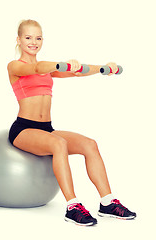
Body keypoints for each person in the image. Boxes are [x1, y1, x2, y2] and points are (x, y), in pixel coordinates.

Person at [7, 19, 136, 226]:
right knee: (60, 144)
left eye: (38, 38)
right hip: (23, 129)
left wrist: (104, 68)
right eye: (28, 37)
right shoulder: (14, 66)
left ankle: (107, 202)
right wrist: (61, 63)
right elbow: (38, 67)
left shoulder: (48, 69)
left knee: (90, 144)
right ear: (18, 40)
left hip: (46, 129)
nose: (34, 42)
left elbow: (77, 72)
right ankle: (72, 206)